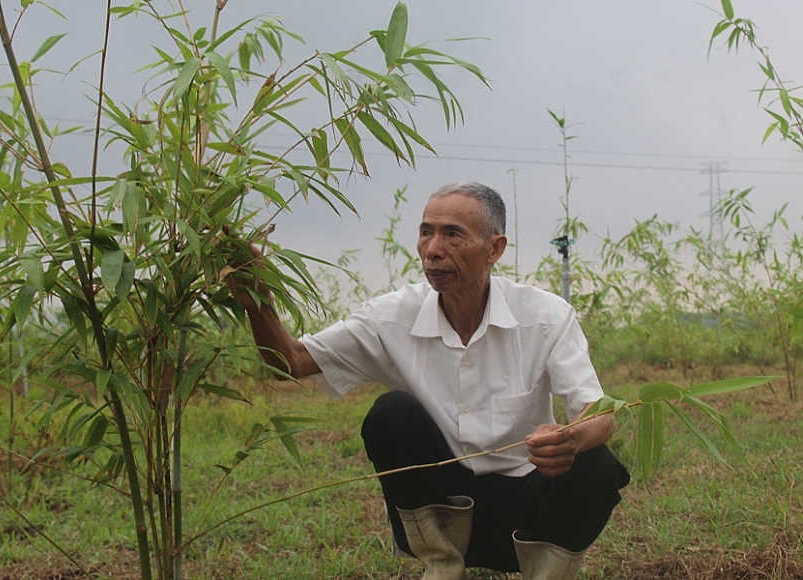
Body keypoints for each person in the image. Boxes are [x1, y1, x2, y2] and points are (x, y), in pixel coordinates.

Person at [229, 182, 630, 580]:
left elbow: (597, 412)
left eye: (452, 234)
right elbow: (292, 361)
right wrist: (257, 303)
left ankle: (545, 572)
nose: (433, 249)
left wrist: (571, 438)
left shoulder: (546, 317)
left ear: (494, 248)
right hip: (439, 511)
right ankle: (441, 566)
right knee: (392, 414)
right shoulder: (391, 317)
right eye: (426, 232)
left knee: (597, 466)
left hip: (527, 514)